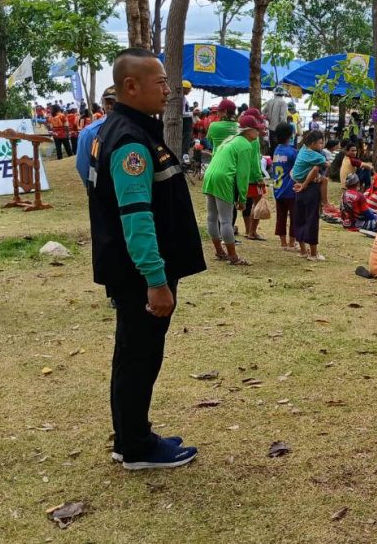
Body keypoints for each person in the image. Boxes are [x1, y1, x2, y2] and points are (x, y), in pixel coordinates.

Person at [87, 47, 205, 470]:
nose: (168, 91)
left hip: (133, 271)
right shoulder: (130, 142)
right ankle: (136, 447)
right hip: (139, 275)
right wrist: (156, 280)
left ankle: (131, 437)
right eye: (160, 83)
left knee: (133, 356)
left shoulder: (123, 129)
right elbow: (136, 217)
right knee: (139, 358)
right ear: (131, 86)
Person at [202, 115, 261, 266]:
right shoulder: (245, 145)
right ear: (248, 130)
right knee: (226, 220)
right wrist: (242, 199)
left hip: (210, 174)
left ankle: (219, 251)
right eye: (257, 129)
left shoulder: (230, 140)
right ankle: (233, 257)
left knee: (212, 217)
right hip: (224, 178)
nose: (259, 132)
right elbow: (243, 175)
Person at [291, 130, 329, 262]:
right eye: (320, 142)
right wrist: (306, 184)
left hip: (298, 187)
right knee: (312, 219)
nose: (322, 145)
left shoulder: (302, 150)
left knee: (299, 219)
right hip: (310, 189)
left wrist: (301, 184)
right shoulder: (316, 156)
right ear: (313, 143)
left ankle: (303, 251)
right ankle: (313, 254)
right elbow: (321, 166)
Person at [76, 86, 118, 186]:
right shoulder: (89, 132)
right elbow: (83, 167)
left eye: (113, 102)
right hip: (104, 189)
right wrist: (93, 189)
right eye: (107, 102)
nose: (110, 106)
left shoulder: (137, 127)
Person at [271, 123, 298, 251]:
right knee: (294, 217)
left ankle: (283, 242)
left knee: (281, 216)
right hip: (290, 189)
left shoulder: (277, 150)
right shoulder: (292, 152)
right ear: (290, 135)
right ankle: (292, 242)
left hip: (278, 188)